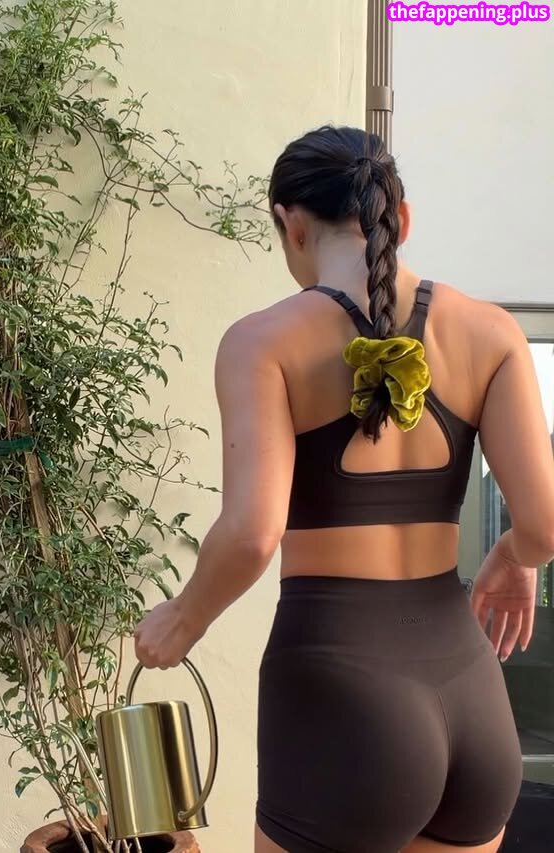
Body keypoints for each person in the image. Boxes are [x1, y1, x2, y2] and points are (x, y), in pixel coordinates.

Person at [134, 125, 554, 853]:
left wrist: (183, 617)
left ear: (290, 224)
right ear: (402, 216)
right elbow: (544, 525)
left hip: (341, 703)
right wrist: (515, 557)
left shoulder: (263, 341)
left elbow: (253, 533)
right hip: (474, 703)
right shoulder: (492, 333)